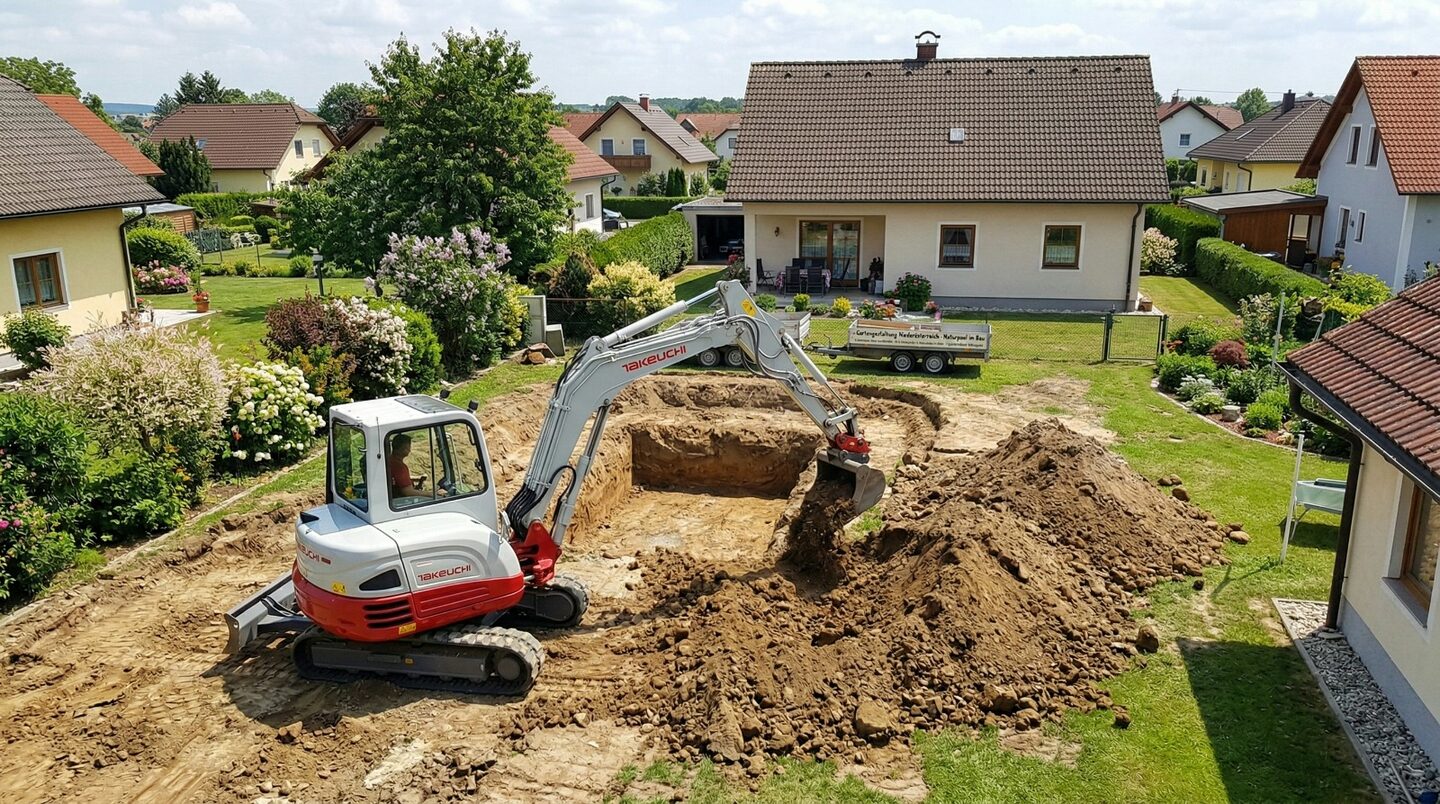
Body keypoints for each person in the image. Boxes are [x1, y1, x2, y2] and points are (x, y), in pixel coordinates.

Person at [388, 433, 441, 501]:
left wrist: (417, 478)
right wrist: (430, 494)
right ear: (402, 448)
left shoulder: (390, 461)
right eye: (408, 447)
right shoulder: (399, 467)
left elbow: (398, 480)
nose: (409, 450)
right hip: (402, 500)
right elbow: (408, 492)